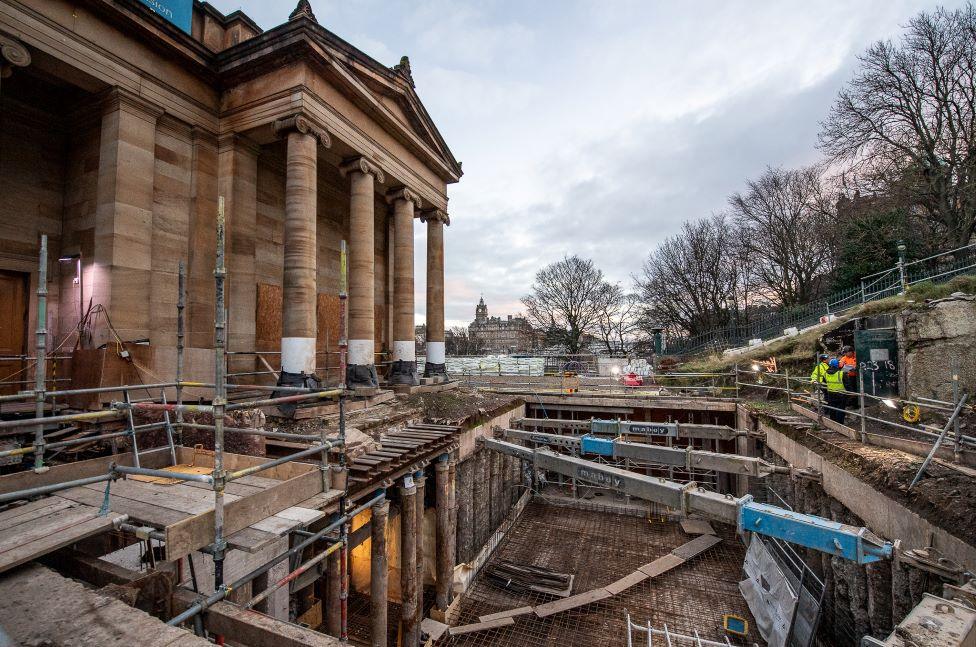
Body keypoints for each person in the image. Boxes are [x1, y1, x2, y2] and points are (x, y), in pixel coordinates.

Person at [823, 358, 847, 424]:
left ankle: (833, 423)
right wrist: (850, 394)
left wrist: (826, 393)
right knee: (840, 409)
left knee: (832, 408)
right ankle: (840, 424)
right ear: (837, 365)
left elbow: (824, 384)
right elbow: (847, 385)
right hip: (841, 394)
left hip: (830, 393)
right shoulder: (841, 373)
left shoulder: (825, 373)